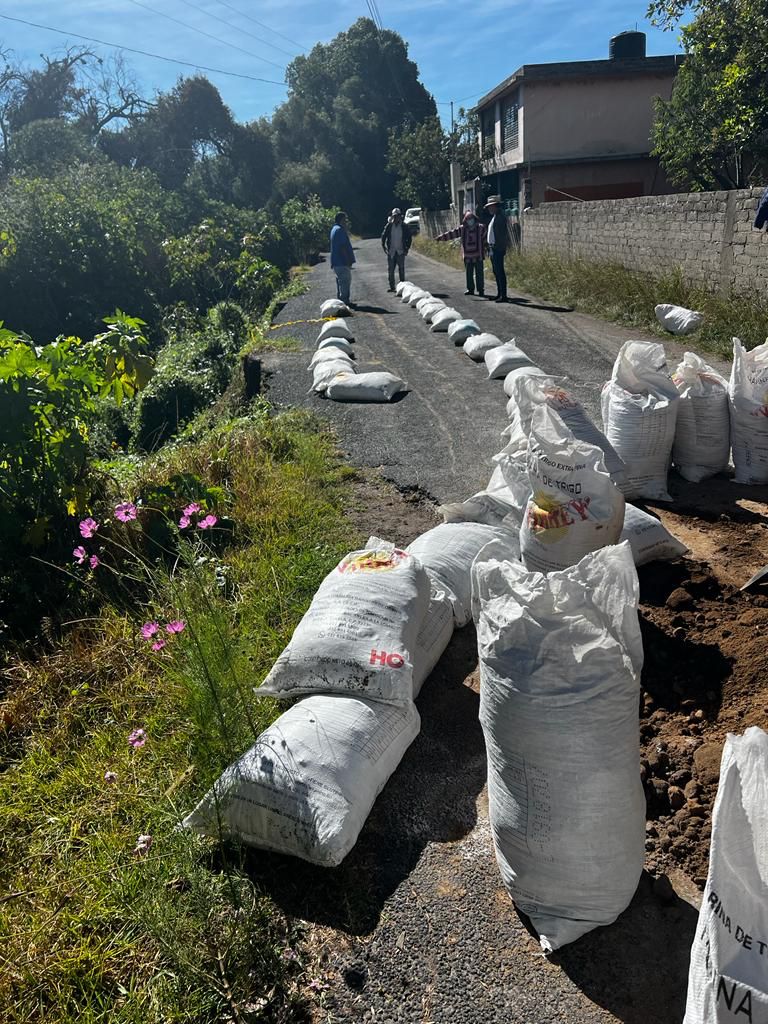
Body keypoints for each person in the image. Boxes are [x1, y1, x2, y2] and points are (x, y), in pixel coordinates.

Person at [436, 210, 487, 296]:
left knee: (479, 274)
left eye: (471, 218)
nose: (470, 220)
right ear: (465, 220)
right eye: (468, 219)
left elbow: (486, 239)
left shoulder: (481, 228)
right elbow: (451, 234)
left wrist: (487, 248)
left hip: (479, 255)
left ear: (474, 219)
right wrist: (440, 238)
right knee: (469, 274)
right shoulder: (462, 229)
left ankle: (480, 290)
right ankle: (470, 289)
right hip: (467, 256)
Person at [485, 195, 513, 303]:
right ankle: (499, 293)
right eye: (489, 207)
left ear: (496, 206)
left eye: (491, 206)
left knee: (499, 271)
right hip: (493, 248)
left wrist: (498, 247)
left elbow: (501, 235)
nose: (489, 209)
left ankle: (503, 295)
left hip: (497, 248)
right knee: (496, 271)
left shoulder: (500, 217)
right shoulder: (495, 216)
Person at [381, 208, 412, 291]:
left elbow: (409, 238)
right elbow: (383, 236)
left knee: (401, 269)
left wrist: (407, 248)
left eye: (398, 216)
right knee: (391, 270)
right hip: (391, 251)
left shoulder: (404, 226)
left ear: (400, 216)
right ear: (393, 216)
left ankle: (403, 287)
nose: (396, 218)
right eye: (395, 216)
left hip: (401, 251)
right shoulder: (389, 226)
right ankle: (392, 287)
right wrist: (384, 246)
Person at [330, 211, 355, 305]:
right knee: (345, 281)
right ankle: (345, 301)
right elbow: (343, 247)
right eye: (345, 220)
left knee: (340, 281)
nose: (346, 222)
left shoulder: (334, 229)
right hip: (341, 262)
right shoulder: (340, 230)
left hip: (336, 262)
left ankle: (340, 299)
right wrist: (348, 260)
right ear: (341, 220)